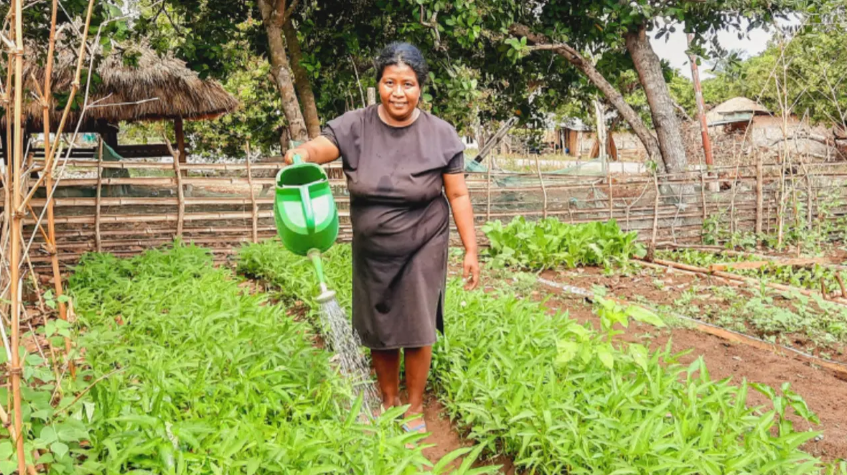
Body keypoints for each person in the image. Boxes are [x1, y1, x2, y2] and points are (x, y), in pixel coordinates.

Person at [284, 42, 479, 437]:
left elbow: (457, 195)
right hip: (373, 249)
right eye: (390, 82)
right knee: (380, 324)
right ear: (379, 85)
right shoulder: (357, 125)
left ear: (420, 87)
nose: (398, 92)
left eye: (407, 83)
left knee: (418, 322)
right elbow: (326, 144)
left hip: (425, 238)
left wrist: (471, 249)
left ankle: (414, 405)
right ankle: (388, 398)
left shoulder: (441, 134)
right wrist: (302, 152)